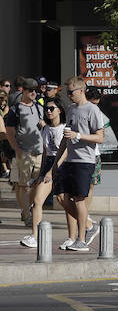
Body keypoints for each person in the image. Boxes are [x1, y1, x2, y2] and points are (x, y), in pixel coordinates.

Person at [54, 77, 104, 252]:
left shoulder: (93, 110)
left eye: (71, 92)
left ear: (81, 91)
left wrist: (78, 136)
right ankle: (90, 225)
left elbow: (100, 137)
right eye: (67, 92)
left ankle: (81, 240)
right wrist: (56, 162)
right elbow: (65, 138)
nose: (68, 95)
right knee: (61, 197)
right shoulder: (70, 109)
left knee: (79, 200)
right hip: (69, 160)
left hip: (85, 160)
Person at [20, 101, 67, 248]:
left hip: (62, 164)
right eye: (46, 109)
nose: (48, 111)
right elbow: (46, 152)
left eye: (52, 108)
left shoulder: (64, 128)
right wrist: (40, 174)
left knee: (64, 201)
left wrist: (52, 171)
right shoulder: (45, 129)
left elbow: (66, 151)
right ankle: (35, 236)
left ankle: (88, 224)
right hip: (49, 164)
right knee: (37, 201)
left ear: (60, 110)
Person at [4, 78, 43, 229]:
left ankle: (28, 208)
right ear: (23, 91)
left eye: (35, 90)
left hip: (39, 151)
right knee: (21, 185)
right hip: (23, 152)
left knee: (36, 185)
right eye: (30, 90)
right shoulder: (16, 110)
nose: (34, 92)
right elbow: (9, 133)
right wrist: (18, 150)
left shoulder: (39, 107)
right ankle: (26, 214)